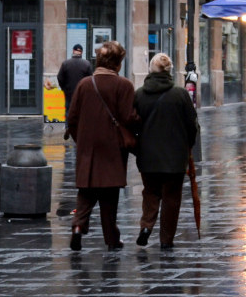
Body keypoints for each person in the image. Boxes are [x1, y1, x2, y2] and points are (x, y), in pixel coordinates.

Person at [66, 41, 138, 252]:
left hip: (88, 146)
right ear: (117, 63)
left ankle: (78, 227)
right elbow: (128, 117)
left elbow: (72, 118)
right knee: (109, 195)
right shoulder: (124, 85)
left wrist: (82, 140)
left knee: (86, 192)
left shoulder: (85, 84)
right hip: (112, 147)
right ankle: (111, 238)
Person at [133, 53, 197, 251]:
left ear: (151, 69)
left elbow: (133, 123)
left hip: (147, 156)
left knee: (150, 193)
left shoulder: (140, 94)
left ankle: (146, 226)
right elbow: (192, 125)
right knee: (171, 197)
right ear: (169, 70)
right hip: (175, 157)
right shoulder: (180, 94)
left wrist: (138, 148)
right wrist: (188, 146)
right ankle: (166, 239)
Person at [57, 44, 93, 115]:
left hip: (69, 92)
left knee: (69, 111)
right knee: (81, 111)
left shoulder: (66, 64)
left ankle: (68, 125)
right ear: (81, 52)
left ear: (73, 51)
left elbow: (60, 77)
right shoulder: (86, 64)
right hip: (82, 92)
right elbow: (91, 79)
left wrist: (64, 88)